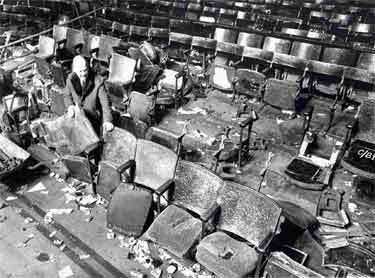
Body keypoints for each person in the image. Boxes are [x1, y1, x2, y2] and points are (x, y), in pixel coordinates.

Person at [64, 55, 113, 135]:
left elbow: (105, 104)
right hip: (77, 117)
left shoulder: (98, 81)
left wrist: (107, 121)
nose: (83, 74)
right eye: (80, 71)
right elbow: (66, 95)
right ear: (74, 70)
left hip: (92, 119)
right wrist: (70, 106)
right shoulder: (70, 78)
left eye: (85, 70)